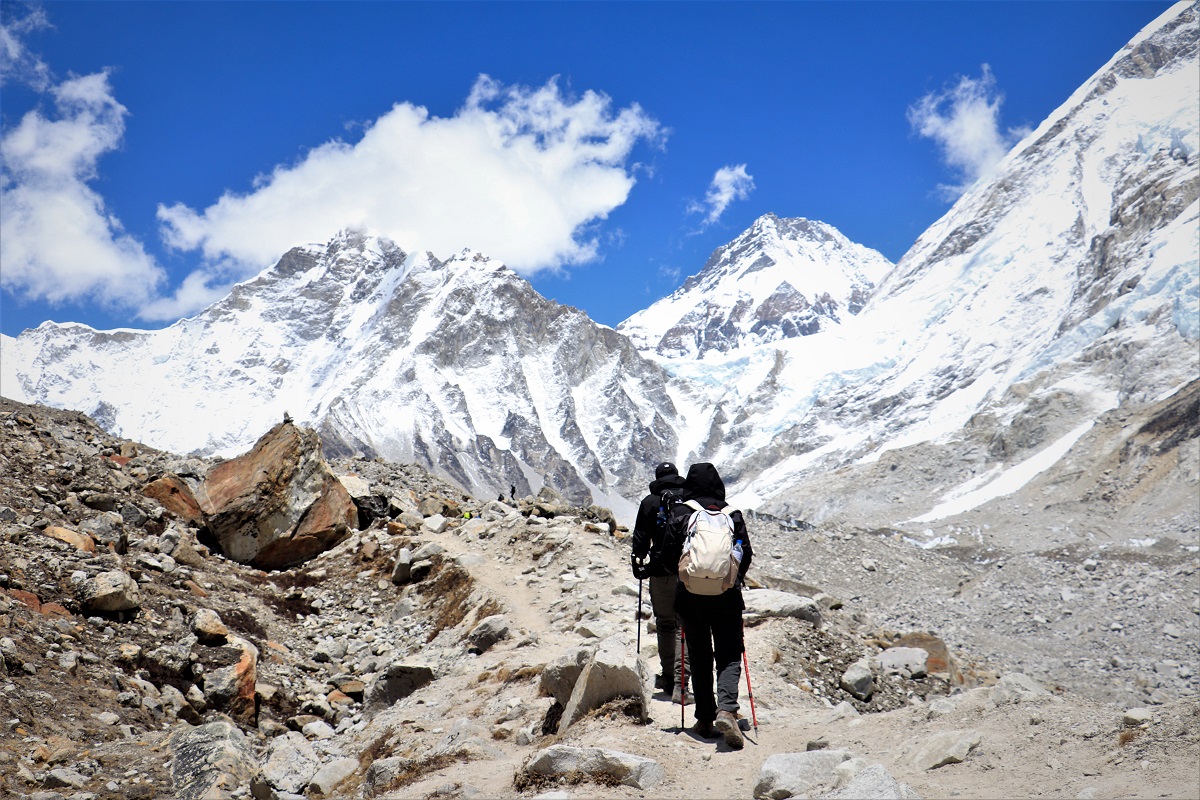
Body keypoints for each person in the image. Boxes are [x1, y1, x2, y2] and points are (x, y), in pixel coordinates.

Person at [673, 462, 753, 748]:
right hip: (726, 597)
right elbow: (746, 554)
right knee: (730, 653)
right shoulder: (732, 515)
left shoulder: (681, 514)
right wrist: (732, 580)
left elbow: (669, 554)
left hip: (690, 598)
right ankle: (727, 710)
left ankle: (705, 718)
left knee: (700, 656)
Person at [630, 461, 686, 696]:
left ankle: (668, 677)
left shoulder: (650, 502)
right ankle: (683, 683)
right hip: (687, 571)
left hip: (660, 571)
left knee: (664, 623)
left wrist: (639, 561)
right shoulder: (689, 499)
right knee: (683, 626)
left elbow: (641, 537)